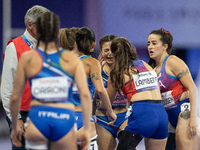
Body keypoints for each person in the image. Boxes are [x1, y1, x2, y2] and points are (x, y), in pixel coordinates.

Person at [9, 11, 92, 150]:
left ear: (38, 30)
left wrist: (15, 127)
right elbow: (85, 95)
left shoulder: (28, 58)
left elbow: (15, 97)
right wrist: (87, 129)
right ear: (58, 31)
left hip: (38, 120)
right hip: (64, 119)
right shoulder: (71, 59)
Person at [1, 5, 50, 150]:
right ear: (30, 25)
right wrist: (16, 119)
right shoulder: (14, 47)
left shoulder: (47, 47)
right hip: (22, 113)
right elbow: (7, 88)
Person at [106, 37, 168, 150]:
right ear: (130, 50)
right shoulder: (145, 64)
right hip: (161, 115)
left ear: (113, 54)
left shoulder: (117, 72)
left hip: (143, 114)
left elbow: (107, 102)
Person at [147, 28, 199, 150]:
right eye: (148, 44)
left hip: (183, 113)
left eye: (154, 43)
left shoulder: (172, 61)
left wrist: (192, 118)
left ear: (165, 46)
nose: (150, 47)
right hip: (167, 117)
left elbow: (193, 88)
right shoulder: (153, 69)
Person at [94, 35, 130, 150]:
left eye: (113, 50)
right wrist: (97, 74)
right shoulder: (96, 70)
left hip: (124, 117)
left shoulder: (127, 70)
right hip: (103, 120)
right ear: (101, 52)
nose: (110, 53)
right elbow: (91, 96)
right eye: (106, 50)